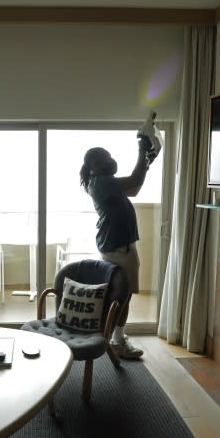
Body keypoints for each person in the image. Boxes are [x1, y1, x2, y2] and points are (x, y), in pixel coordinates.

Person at [78, 134, 155, 359]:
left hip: (117, 246)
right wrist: (142, 153)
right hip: (120, 249)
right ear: (92, 165)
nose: (109, 160)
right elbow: (133, 180)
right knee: (123, 296)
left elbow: (133, 188)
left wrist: (146, 162)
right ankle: (117, 341)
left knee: (122, 295)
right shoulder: (102, 182)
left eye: (109, 155)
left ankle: (115, 338)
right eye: (103, 158)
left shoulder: (102, 182)